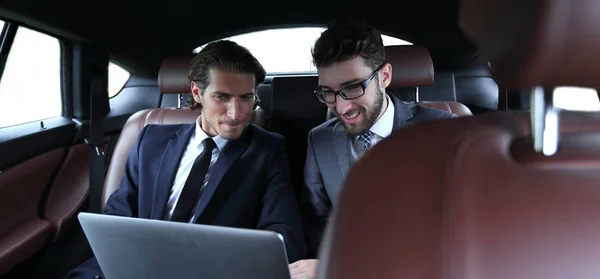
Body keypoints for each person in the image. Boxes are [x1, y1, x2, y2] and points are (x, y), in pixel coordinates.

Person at [66, 40, 307, 278]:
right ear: (197, 92)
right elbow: (117, 218)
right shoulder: (151, 139)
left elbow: (284, 232)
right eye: (222, 97)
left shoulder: (267, 149)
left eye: (246, 98)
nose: (236, 113)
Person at [289, 19, 456, 278]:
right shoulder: (319, 141)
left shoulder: (442, 132)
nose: (342, 108)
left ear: (385, 76)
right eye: (328, 92)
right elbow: (316, 224)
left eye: (353, 87)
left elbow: (453, 227)